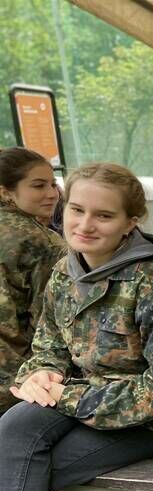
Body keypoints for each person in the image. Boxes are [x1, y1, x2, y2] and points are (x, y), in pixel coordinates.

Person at [0, 163, 153, 491]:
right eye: (77, 210)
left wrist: (68, 396)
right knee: (13, 428)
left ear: (130, 222)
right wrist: (41, 373)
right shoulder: (65, 272)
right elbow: (49, 345)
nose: (84, 225)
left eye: (103, 216)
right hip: (83, 396)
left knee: (24, 469)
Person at [0, 147, 66, 415]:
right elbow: (49, 325)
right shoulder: (43, 243)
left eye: (53, 184)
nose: (52, 193)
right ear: (5, 192)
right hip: (19, 386)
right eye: (38, 186)